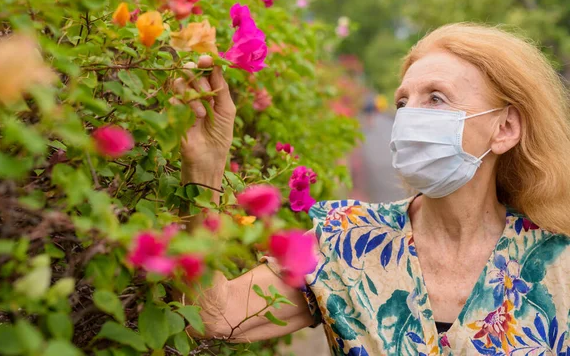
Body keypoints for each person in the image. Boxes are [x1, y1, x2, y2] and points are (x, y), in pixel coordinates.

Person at [173, 24, 570, 355]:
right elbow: (211, 316)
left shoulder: (560, 264)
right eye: (403, 102)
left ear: (505, 128)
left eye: (435, 98)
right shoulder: (347, 241)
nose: (410, 115)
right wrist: (203, 173)